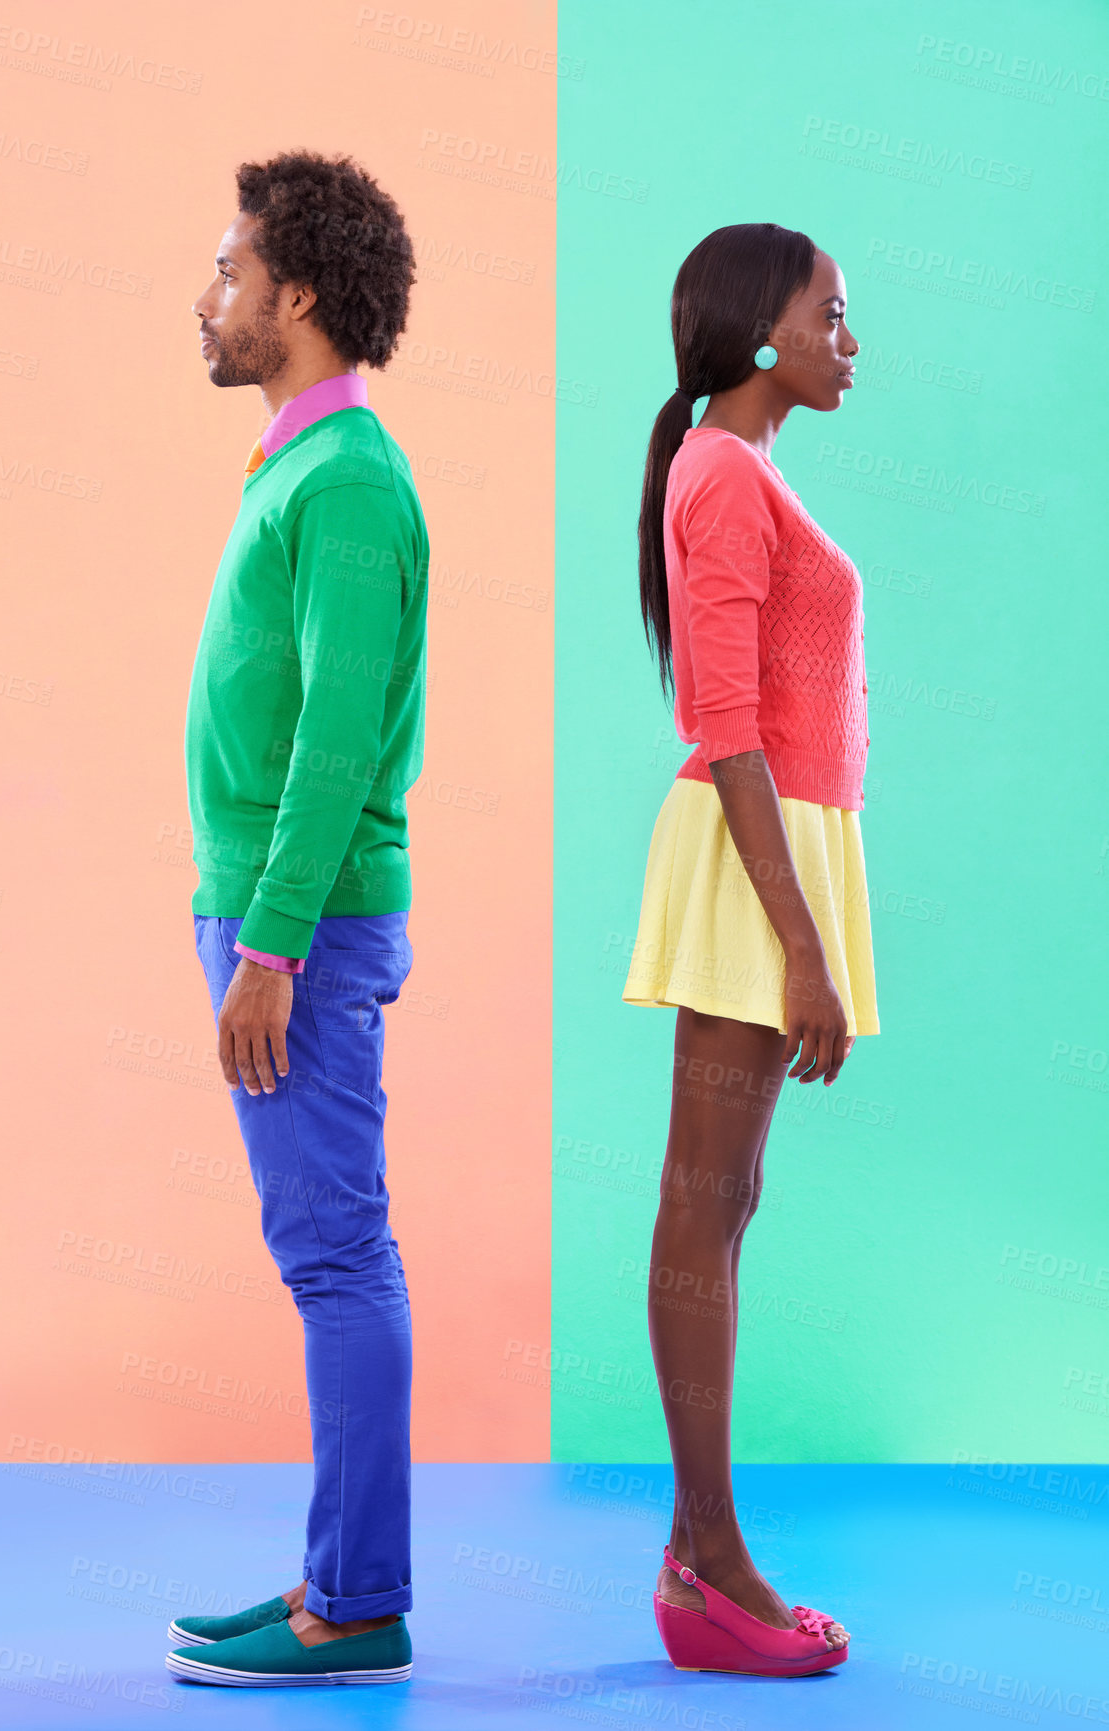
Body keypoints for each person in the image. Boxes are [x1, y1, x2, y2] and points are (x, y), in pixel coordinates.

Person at [165, 150, 428, 1689]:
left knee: (336, 1257)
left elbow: (339, 741)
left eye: (228, 272)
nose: (210, 298)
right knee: (324, 1249)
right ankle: (337, 1578)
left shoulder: (348, 483)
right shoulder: (305, 468)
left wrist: (267, 948)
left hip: (301, 933)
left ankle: (360, 1605)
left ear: (298, 295)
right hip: (275, 918)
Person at [622, 222, 879, 1677]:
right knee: (704, 1202)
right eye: (831, 315)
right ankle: (705, 1562)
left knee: (725, 1203)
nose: (850, 340)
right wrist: (800, 945)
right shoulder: (721, 471)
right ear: (760, 331)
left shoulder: (743, 469)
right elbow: (726, 730)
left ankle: (702, 1558)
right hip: (749, 862)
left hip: (773, 854)